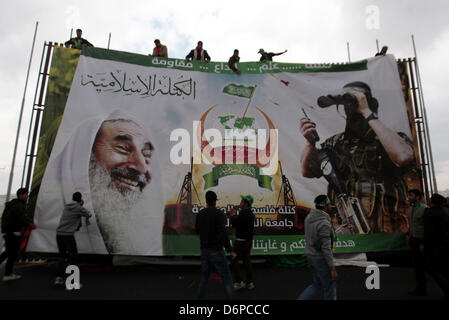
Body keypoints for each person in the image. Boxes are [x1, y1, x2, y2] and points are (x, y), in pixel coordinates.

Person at [28, 110, 165, 256]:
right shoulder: (41, 203)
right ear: (82, 154)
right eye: (122, 148)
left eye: (147, 155)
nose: (142, 167)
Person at [300, 81, 415, 233]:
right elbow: (307, 172)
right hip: (347, 229)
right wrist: (310, 144)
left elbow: (404, 156)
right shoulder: (335, 144)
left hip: (386, 232)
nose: (351, 107)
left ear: (371, 103)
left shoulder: (389, 139)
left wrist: (367, 111)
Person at [195, 191, 236, 300]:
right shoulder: (219, 214)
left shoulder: (200, 214)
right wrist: (230, 250)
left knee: (205, 278)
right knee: (227, 278)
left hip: (204, 251)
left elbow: (197, 231)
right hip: (216, 251)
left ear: (206, 200)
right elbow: (223, 234)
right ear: (215, 201)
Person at [298, 195, 338, 300]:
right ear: (325, 206)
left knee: (317, 285)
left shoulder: (309, 217)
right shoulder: (324, 223)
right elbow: (326, 248)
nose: (330, 206)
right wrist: (332, 268)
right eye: (329, 204)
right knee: (329, 287)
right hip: (321, 259)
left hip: (311, 256)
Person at [54, 192, 91, 287]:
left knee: (62, 256)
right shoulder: (78, 208)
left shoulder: (67, 207)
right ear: (80, 199)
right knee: (73, 257)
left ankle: (58, 278)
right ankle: (73, 281)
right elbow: (88, 214)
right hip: (68, 235)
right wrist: (81, 205)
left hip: (59, 234)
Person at [0, 188, 36, 281]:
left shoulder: (12, 204)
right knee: (12, 253)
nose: (27, 196)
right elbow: (21, 217)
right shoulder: (19, 205)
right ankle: (8, 274)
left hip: (7, 231)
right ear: (21, 195)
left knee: (9, 252)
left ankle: (8, 273)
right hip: (12, 232)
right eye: (26, 194)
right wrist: (30, 224)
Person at [422, 193, 449, 300]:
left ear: (431, 202)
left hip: (434, 246)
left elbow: (428, 232)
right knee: (444, 268)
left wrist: (423, 244)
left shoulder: (429, 213)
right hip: (445, 244)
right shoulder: (446, 212)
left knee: (432, 268)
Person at [228, 195, 255, 290]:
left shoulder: (243, 213)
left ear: (245, 203)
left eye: (242, 201)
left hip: (240, 243)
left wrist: (232, 215)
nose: (240, 203)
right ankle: (249, 282)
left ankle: (239, 282)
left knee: (233, 258)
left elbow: (235, 224)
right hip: (248, 242)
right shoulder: (250, 214)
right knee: (246, 260)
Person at [406, 189, 428, 296]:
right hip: (413, 240)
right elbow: (411, 225)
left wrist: (423, 243)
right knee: (417, 265)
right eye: (408, 195)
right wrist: (408, 235)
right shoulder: (410, 209)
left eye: (411, 195)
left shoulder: (425, 209)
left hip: (421, 241)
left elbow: (427, 228)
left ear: (418, 197)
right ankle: (420, 288)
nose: (409, 197)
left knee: (424, 266)